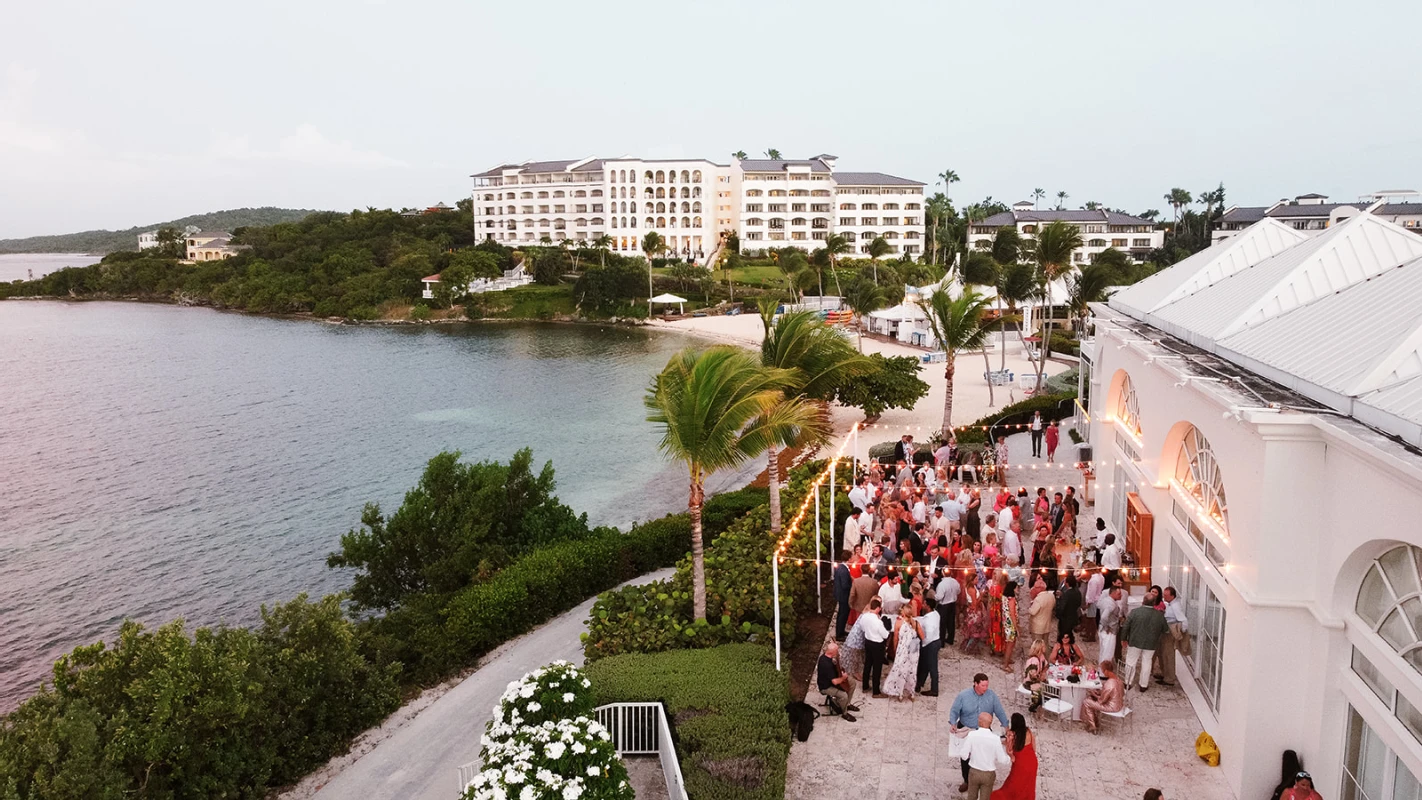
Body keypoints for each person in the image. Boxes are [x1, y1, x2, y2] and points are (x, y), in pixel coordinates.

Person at [948, 675, 1010, 793]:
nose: (985, 688)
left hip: (984, 729)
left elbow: (999, 711)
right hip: (966, 728)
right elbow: (954, 710)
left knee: (985, 753)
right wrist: (953, 723)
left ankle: (983, 777)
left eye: (987, 685)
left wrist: (1006, 726)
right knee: (965, 756)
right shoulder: (963, 696)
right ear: (975, 684)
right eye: (983, 685)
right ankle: (967, 780)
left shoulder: (991, 696)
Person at [1122, 588, 1169, 691]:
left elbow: (1126, 626)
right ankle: (1143, 685)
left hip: (1135, 640)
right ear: (1154, 602)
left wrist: (1123, 638)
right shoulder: (1159, 615)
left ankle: (1128, 682)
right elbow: (1166, 629)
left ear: (1143, 601)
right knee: (1147, 662)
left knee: (1131, 661)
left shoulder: (1135, 612)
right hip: (1151, 643)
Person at [990, 712, 1038, 800]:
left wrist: (1012, 756)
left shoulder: (1012, 735)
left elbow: (1009, 750)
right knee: (1028, 784)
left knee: (1013, 784)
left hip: (1020, 764)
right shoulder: (1028, 731)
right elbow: (1034, 747)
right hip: (1032, 761)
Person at [882, 604, 923, 701]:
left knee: (901, 670)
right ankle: (911, 693)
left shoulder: (898, 622)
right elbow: (923, 636)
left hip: (902, 650)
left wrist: (895, 649)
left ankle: (900, 693)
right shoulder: (916, 623)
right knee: (912, 671)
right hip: (913, 651)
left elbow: (895, 638)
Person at [817, 642, 860, 721]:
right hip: (826, 687)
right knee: (843, 695)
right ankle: (844, 713)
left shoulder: (826, 656)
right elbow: (835, 682)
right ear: (832, 652)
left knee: (852, 683)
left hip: (834, 678)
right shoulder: (826, 664)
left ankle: (847, 704)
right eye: (837, 651)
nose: (838, 652)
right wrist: (843, 678)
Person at [857, 597, 890, 697]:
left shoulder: (864, 616)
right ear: (878, 608)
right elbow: (885, 635)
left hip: (868, 642)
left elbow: (862, 628)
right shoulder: (878, 622)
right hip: (877, 645)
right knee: (877, 668)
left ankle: (865, 686)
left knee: (868, 664)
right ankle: (876, 691)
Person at [1081, 659, 1125, 733]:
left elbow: (1101, 701)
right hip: (1119, 703)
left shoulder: (1109, 684)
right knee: (1090, 699)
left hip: (1112, 707)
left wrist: (1093, 694)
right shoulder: (1118, 679)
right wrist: (1099, 691)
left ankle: (1092, 726)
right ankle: (1094, 720)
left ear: (1106, 671)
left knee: (1086, 702)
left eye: (1102, 670)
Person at [1157, 585, 1189, 687]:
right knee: (1163, 653)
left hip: (1169, 632)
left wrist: (1180, 632)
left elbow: (1183, 620)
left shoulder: (1175, 606)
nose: (1164, 597)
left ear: (1172, 596)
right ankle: (1165, 673)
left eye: (1166, 595)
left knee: (1168, 655)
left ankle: (1169, 678)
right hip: (1166, 630)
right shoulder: (1170, 604)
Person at [916, 597, 943, 696]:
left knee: (932, 667)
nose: (922, 605)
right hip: (935, 641)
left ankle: (934, 690)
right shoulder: (935, 614)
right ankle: (919, 684)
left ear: (927, 606)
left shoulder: (928, 621)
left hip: (930, 643)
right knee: (924, 665)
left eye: (924, 604)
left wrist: (923, 644)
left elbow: (929, 635)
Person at [1097, 585, 1125, 664]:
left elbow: (1098, 606)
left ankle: (1101, 669)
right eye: (1119, 594)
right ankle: (1105, 672)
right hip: (1109, 631)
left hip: (1102, 629)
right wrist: (1107, 627)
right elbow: (1104, 617)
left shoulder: (1104, 600)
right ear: (1113, 593)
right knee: (1108, 652)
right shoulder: (1111, 604)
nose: (1121, 596)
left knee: (1103, 650)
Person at [1027, 577, 1056, 650]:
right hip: (1047, 625)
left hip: (1037, 627)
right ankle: (1046, 659)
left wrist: (1029, 608)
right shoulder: (1051, 596)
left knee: (1037, 646)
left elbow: (1033, 612)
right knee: (1045, 644)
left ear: (1040, 588)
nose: (1034, 589)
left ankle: (1038, 660)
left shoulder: (1038, 599)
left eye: (1035, 588)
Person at [936, 563, 961, 646]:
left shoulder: (941, 584)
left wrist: (934, 596)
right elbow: (959, 591)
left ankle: (941, 641)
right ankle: (950, 639)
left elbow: (939, 597)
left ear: (943, 573)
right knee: (951, 622)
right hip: (952, 604)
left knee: (942, 623)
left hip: (944, 605)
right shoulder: (955, 582)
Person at [1000, 581, 1020, 674]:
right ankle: (1005, 664)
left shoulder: (1004, 597)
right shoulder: (1012, 600)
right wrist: (1016, 627)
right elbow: (1012, 614)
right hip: (1011, 624)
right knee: (1010, 645)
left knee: (1009, 643)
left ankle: (1007, 659)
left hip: (1006, 622)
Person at [1056, 575, 1083, 640]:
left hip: (1065, 619)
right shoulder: (1078, 592)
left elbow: (1062, 607)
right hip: (1073, 616)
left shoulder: (1066, 594)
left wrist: (1058, 614)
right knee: (1069, 634)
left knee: (1063, 635)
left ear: (1067, 583)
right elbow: (1079, 603)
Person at [833, 555, 853, 640]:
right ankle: (839, 634)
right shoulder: (844, 570)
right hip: (844, 595)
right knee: (843, 614)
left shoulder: (841, 567)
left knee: (842, 614)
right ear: (848, 559)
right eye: (851, 558)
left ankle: (841, 631)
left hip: (841, 594)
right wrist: (852, 586)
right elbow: (845, 585)